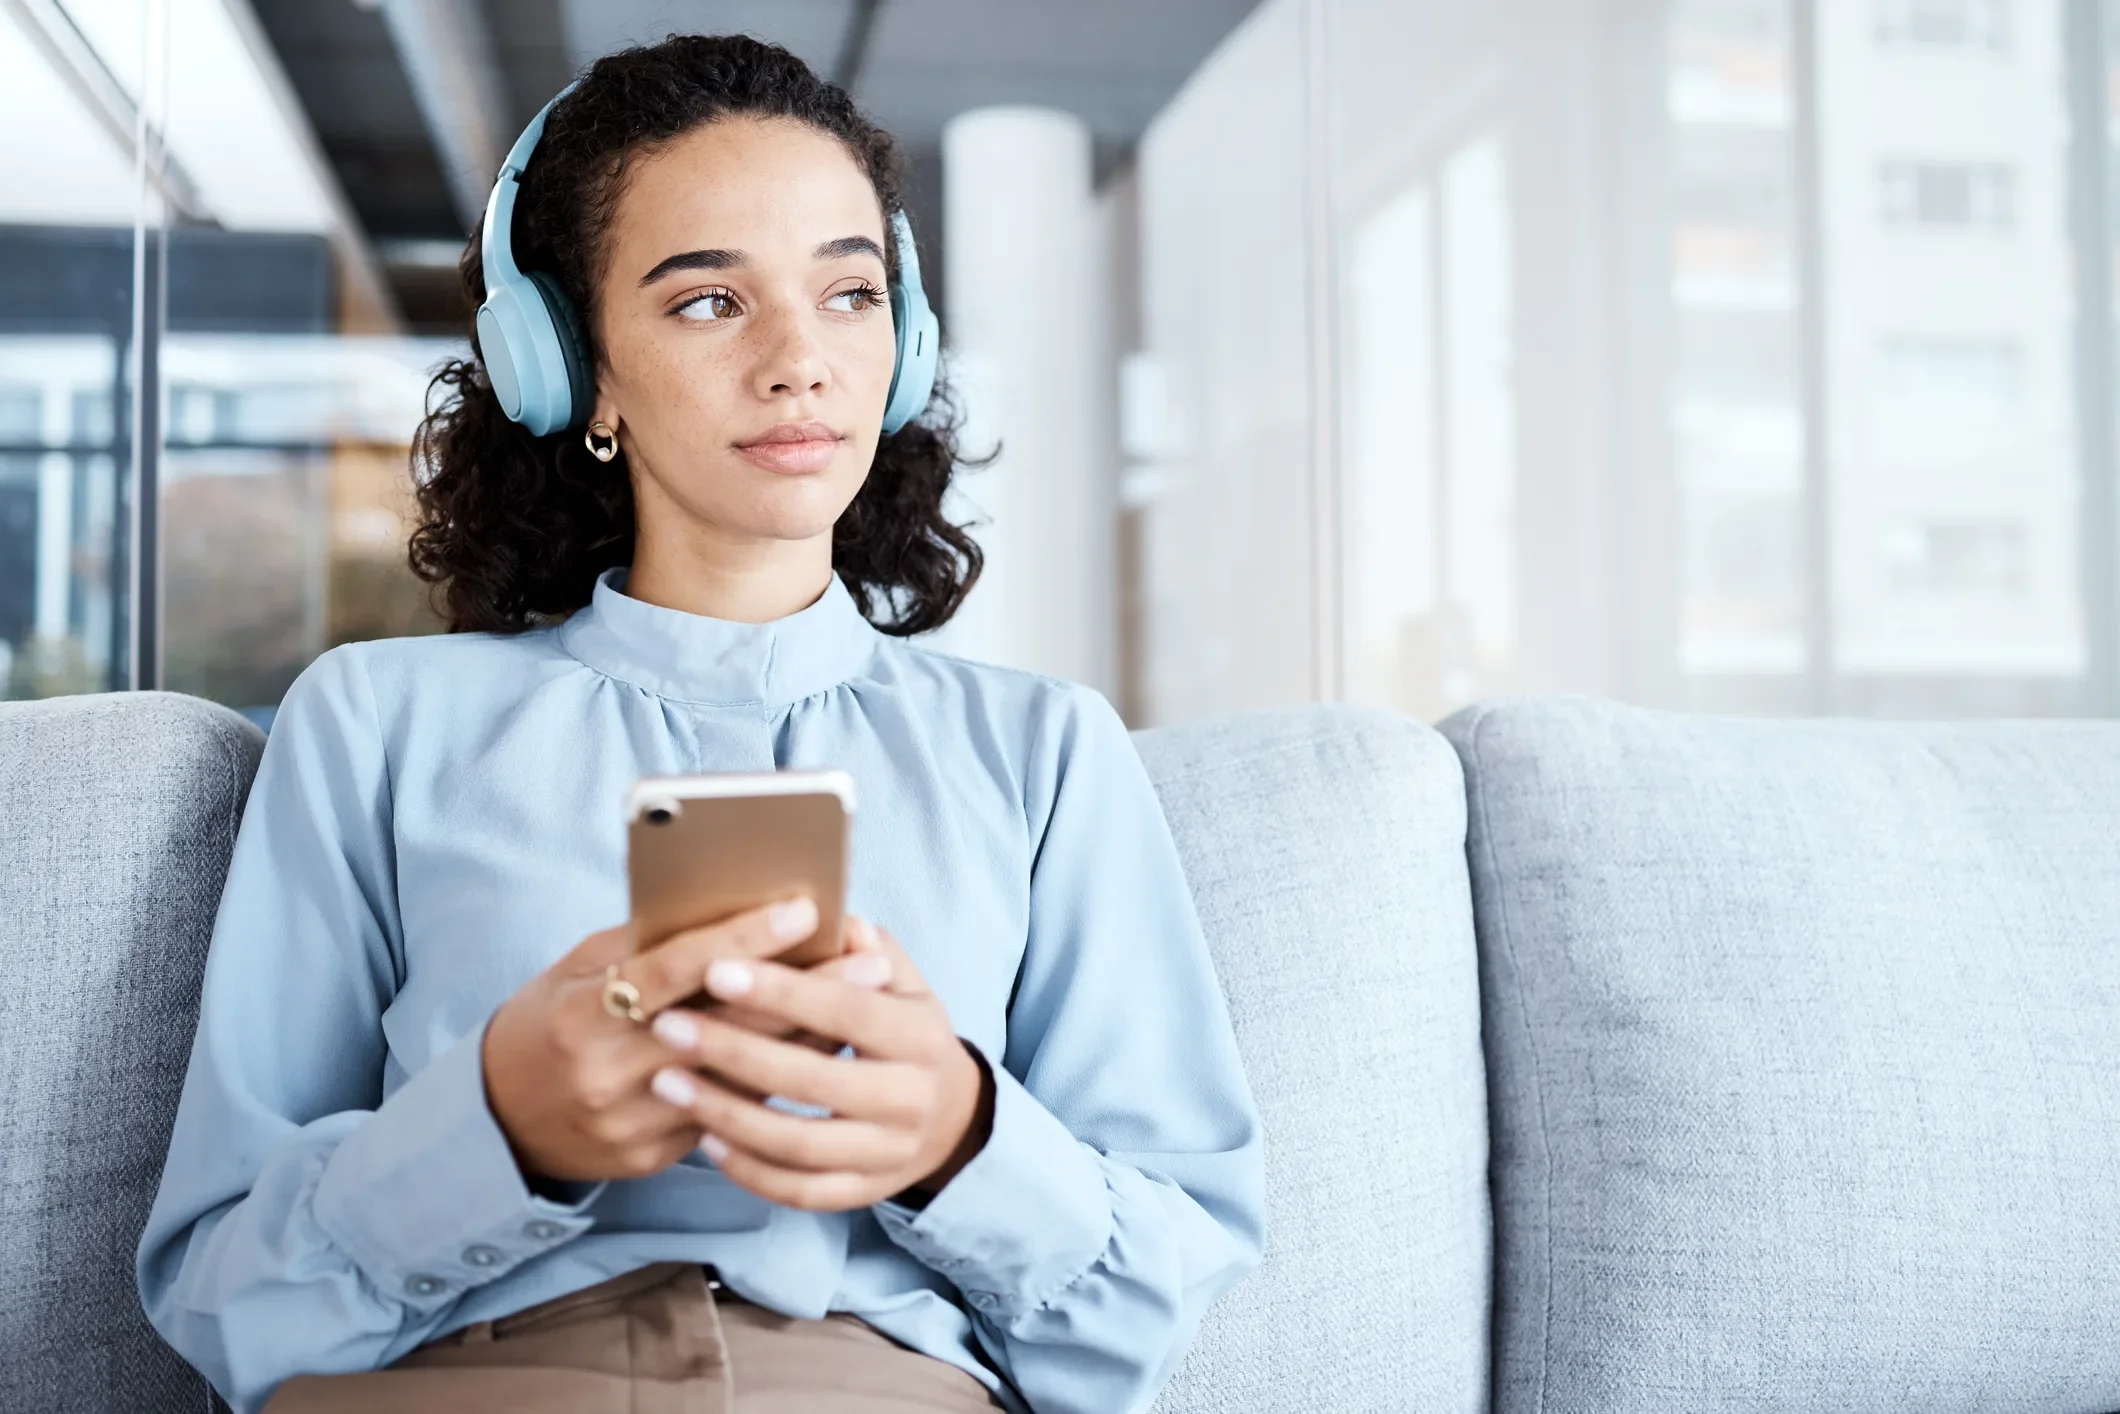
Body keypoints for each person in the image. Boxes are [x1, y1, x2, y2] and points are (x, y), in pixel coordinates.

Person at [135, 33, 1263, 1414]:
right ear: (572, 368)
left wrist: (962, 1141)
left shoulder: (1043, 753)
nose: (802, 360)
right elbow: (222, 1299)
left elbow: (1152, 1312)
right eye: (710, 301)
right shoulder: (373, 726)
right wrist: (497, 1133)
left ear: (903, 349)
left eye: (849, 291)